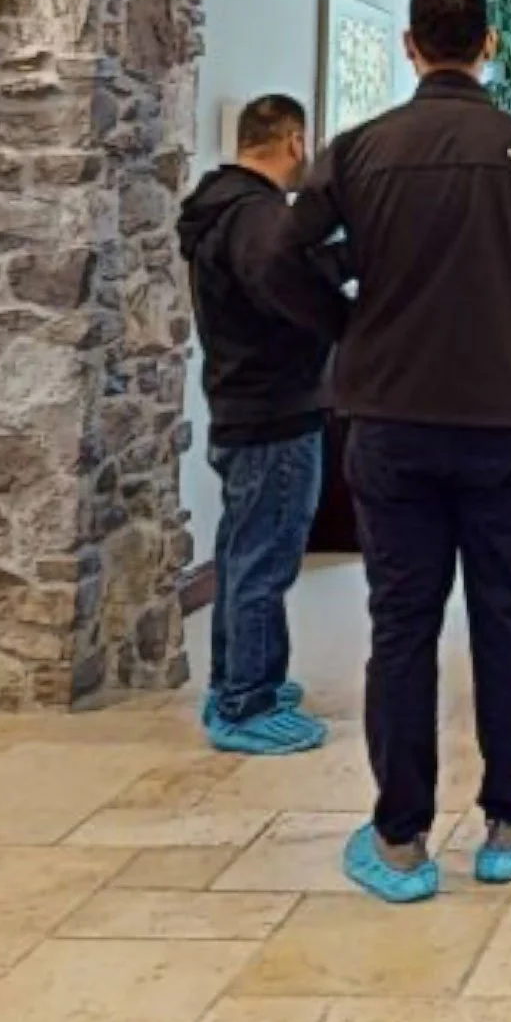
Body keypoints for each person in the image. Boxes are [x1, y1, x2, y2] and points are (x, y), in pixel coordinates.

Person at [265, 0, 511, 903]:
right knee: (508, 621)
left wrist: (349, 329)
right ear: (487, 45)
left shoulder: (361, 153)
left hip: (392, 427)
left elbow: (277, 256)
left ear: (411, 49)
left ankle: (401, 841)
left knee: (401, 627)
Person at [177, 93, 340, 758]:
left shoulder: (219, 210)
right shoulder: (260, 218)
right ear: (295, 142)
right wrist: (343, 320)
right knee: (263, 559)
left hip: (241, 403)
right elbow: (283, 283)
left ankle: (235, 681)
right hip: (273, 409)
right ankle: (248, 701)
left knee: (244, 552)